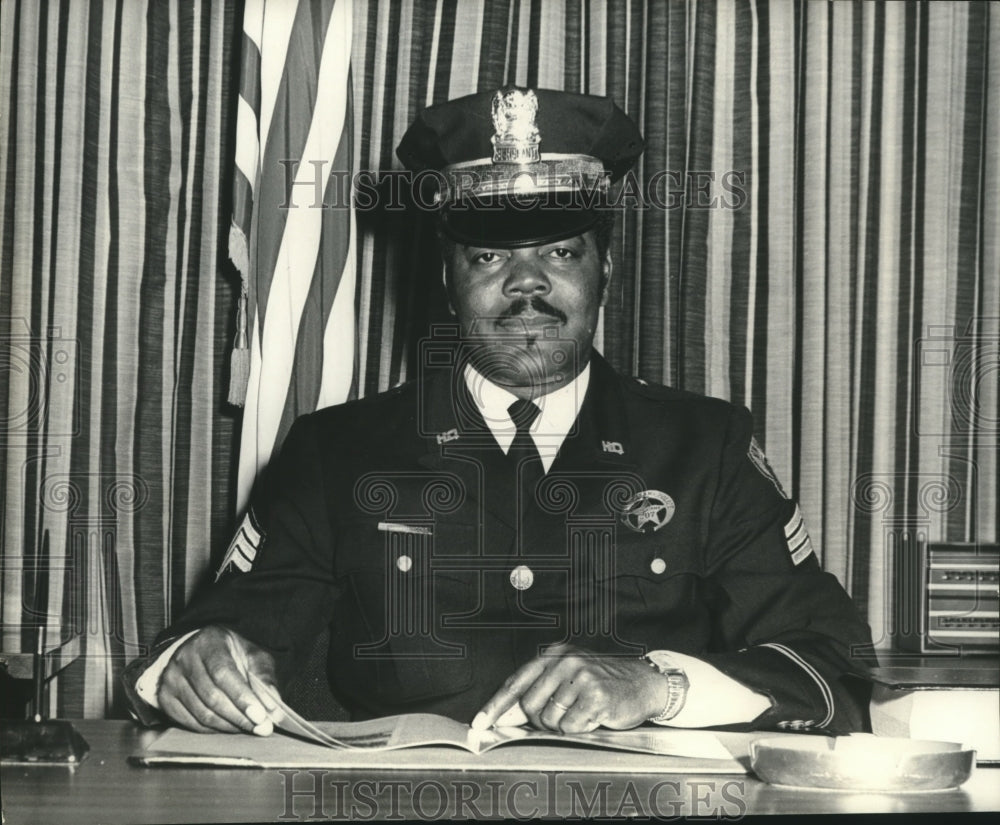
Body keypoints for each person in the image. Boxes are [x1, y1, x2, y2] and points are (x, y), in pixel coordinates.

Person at [123, 86, 873, 738]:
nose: (526, 284)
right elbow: (201, 644)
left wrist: (657, 685)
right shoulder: (335, 452)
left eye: (561, 254)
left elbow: (830, 667)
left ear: (606, 268)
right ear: (447, 283)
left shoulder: (705, 447)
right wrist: (189, 663)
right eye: (489, 257)